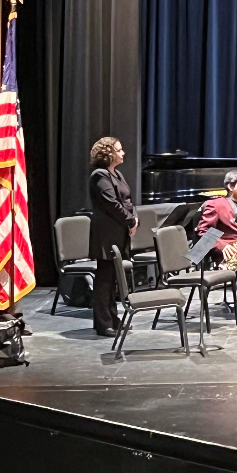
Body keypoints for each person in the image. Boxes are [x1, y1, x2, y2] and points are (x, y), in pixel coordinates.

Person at [88, 137, 135, 338]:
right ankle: (103, 323)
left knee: (113, 278)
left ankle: (113, 319)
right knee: (104, 279)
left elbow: (127, 200)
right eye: (119, 149)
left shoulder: (117, 174)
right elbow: (112, 204)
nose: (123, 153)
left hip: (119, 231)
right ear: (108, 154)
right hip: (106, 234)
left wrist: (134, 218)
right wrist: (130, 221)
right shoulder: (100, 176)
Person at [198, 169, 237, 267]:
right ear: (230, 186)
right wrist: (223, 245)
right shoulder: (215, 205)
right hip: (230, 253)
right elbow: (203, 231)